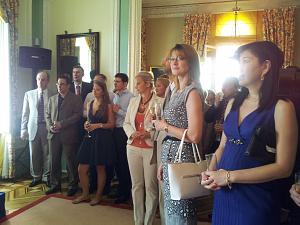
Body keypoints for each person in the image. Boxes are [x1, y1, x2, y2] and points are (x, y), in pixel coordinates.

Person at [201, 41, 298, 225]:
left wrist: (229, 176)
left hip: (256, 197)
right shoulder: (233, 103)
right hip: (224, 195)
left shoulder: (282, 107)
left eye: (245, 61)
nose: (239, 67)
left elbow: (284, 167)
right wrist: (211, 170)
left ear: (265, 66)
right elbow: (223, 145)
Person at [154, 44, 204, 225]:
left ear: (190, 63)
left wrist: (164, 126)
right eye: (172, 58)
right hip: (170, 155)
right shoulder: (173, 90)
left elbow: (195, 135)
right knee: (170, 210)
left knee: (181, 213)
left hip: (183, 157)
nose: (174, 62)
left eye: (180, 58)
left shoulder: (192, 92)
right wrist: (163, 163)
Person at [123, 71, 162, 225]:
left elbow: (161, 126)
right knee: (136, 186)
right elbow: (126, 122)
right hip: (132, 147)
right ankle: (138, 221)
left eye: (138, 82)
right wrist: (132, 134)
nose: (136, 86)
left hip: (149, 148)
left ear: (147, 84)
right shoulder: (133, 101)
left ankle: (148, 221)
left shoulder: (160, 101)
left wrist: (148, 134)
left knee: (150, 187)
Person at [72, 80, 115, 205]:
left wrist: (98, 125)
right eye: (93, 89)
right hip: (89, 137)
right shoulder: (90, 103)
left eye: (97, 89)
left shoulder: (108, 105)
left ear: (103, 91)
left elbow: (111, 124)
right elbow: (89, 120)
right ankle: (85, 194)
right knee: (81, 168)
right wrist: (87, 124)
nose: (94, 91)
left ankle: (98, 195)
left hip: (102, 139)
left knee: (100, 168)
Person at [45, 74, 83, 196]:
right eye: (58, 84)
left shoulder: (75, 98)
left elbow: (77, 115)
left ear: (68, 85)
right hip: (54, 135)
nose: (59, 86)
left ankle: (73, 185)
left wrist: (62, 124)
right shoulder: (52, 99)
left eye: (62, 84)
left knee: (70, 162)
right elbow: (47, 115)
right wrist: (50, 126)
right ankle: (55, 184)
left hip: (69, 134)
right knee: (54, 161)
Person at [20, 71, 54, 187]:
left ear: (47, 81)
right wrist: (23, 129)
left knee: (47, 153)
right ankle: (36, 176)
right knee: (34, 154)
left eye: (43, 79)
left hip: (47, 127)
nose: (40, 81)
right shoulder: (29, 94)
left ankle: (46, 176)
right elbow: (25, 113)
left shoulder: (53, 94)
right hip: (33, 127)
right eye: (38, 79)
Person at [110, 73, 133, 204]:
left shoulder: (131, 97)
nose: (115, 84)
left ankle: (125, 192)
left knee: (124, 163)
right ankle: (119, 188)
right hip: (114, 131)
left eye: (118, 82)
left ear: (125, 84)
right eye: (114, 81)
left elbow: (131, 117)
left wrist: (117, 111)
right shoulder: (115, 96)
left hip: (124, 132)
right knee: (117, 162)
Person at [204, 77, 239, 153]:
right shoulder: (221, 102)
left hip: (230, 144)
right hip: (215, 142)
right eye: (222, 85)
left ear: (236, 88)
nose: (223, 88)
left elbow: (242, 125)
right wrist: (215, 105)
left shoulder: (240, 104)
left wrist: (225, 127)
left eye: (226, 85)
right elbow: (207, 118)